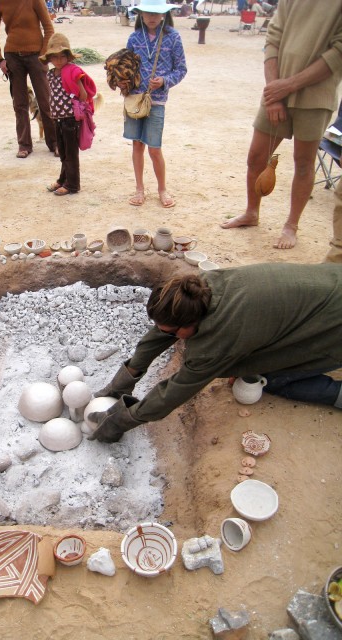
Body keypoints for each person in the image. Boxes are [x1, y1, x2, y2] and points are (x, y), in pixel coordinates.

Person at [87, 264, 342, 443]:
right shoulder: (198, 290)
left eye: (173, 332)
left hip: (332, 323)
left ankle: (337, 394)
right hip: (331, 280)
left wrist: (124, 419)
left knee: (269, 379)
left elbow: (174, 391)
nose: (166, 334)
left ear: (188, 325)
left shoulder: (217, 340)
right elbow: (161, 333)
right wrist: (123, 381)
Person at [221, 0, 342, 249]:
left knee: (304, 163)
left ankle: (291, 225)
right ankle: (252, 212)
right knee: (256, 156)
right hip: (276, 88)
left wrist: (290, 85)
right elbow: (272, 39)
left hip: (316, 95)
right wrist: (275, 91)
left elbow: (338, 53)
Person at [123, 0, 187, 208]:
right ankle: (139, 189)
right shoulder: (134, 38)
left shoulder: (173, 37)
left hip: (157, 100)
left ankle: (162, 189)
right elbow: (126, 67)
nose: (151, 17)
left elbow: (181, 69)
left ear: (164, 15)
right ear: (140, 14)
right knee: (137, 145)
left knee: (154, 148)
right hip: (134, 99)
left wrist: (164, 81)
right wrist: (122, 81)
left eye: (156, 13)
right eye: (147, 12)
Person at [0, 0, 58, 159]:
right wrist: (0, 58)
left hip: (36, 56)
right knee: (19, 103)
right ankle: (24, 144)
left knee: (45, 101)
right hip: (13, 57)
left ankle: (55, 142)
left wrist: (43, 55)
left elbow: (49, 28)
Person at [40, 33, 97, 196]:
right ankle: (63, 179)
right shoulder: (51, 74)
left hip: (70, 119)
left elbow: (83, 94)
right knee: (63, 152)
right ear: (49, 58)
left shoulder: (72, 72)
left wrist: (74, 102)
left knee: (71, 154)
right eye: (54, 57)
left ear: (68, 57)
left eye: (62, 56)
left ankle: (72, 184)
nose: (58, 60)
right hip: (58, 118)